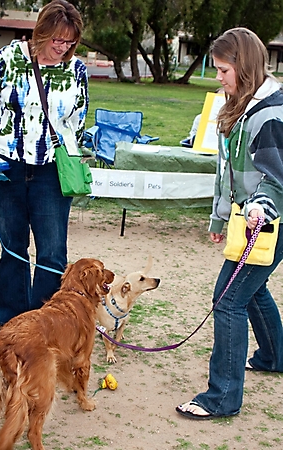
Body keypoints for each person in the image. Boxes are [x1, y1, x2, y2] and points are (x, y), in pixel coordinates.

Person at [176, 27, 283, 419]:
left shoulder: (270, 114)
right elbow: (229, 171)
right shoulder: (238, 103)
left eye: (223, 70)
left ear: (245, 66)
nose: (218, 77)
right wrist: (220, 215)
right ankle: (274, 357)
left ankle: (222, 398)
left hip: (270, 220)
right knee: (250, 291)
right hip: (247, 218)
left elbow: (277, 178)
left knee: (228, 298)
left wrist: (259, 209)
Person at [0, 0, 88, 339]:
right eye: (57, 39)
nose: (62, 47)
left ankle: (46, 326)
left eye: (70, 42)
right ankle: (10, 321)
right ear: (41, 31)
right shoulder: (10, 58)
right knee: (13, 246)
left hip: (50, 171)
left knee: (52, 251)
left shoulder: (77, 70)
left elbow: (78, 120)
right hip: (6, 166)